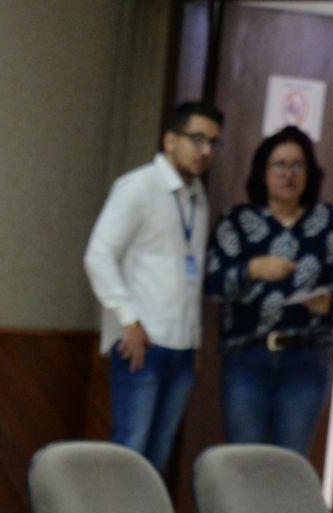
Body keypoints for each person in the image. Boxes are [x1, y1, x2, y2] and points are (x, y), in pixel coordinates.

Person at [83, 100, 221, 481]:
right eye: (197, 139)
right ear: (170, 140)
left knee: (157, 461)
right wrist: (128, 320)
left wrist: (194, 339)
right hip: (143, 343)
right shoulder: (138, 187)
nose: (205, 150)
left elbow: (184, 276)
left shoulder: (197, 197)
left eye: (212, 142)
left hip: (182, 347)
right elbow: (98, 255)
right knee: (130, 454)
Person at [208, 125, 333, 456]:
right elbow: (213, 285)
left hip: (306, 361)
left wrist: (331, 298)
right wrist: (252, 270)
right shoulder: (237, 221)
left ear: (310, 172)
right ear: (263, 172)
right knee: (245, 463)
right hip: (248, 358)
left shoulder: (329, 221)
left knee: (289, 465)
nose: (288, 174)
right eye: (279, 165)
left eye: (297, 165)